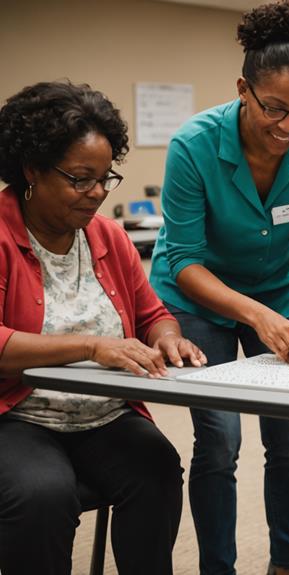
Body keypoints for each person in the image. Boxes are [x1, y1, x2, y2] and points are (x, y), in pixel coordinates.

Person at [148, 2, 289, 574]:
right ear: (243, 89)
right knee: (220, 440)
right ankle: (219, 568)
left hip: (282, 291)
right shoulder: (194, 144)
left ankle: (287, 564)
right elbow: (183, 257)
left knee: (288, 440)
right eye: (275, 109)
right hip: (197, 294)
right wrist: (256, 317)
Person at [0, 81, 206, 575]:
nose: (96, 193)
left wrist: (169, 339)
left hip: (106, 416)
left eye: (104, 178)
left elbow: (153, 314)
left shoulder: (108, 235)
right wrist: (93, 345)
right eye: (79, 179)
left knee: (157, 468)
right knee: (43, 495)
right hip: (17, 416)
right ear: (32, 169)